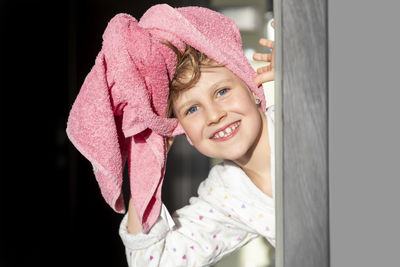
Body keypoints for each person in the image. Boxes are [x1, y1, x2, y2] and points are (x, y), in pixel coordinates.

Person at [118, 8, 275, 267]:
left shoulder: (299, 118)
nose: (214, 115)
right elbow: (154, 263)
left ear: (252, 87)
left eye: (222, 91)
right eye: (192, 109)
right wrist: (147, 164)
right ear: (182, 130)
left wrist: (311, 76)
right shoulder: (227, 194)